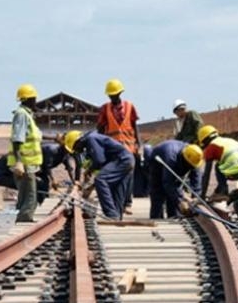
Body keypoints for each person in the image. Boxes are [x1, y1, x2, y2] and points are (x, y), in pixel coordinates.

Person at [8, 84, 56, 223]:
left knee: (28, 195)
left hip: (29, 164)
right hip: (24, 164)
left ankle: (24, 220)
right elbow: (17, 139)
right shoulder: (22, 115)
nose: (36, 101)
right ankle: (24, 221)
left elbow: (38, 136)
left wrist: (55, 138)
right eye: (34, 98)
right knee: (30, 196)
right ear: (29, 99)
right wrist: (19, 162)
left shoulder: (28, 115)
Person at [63, 130, 134, 219]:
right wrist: (91, 173)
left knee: (100, 180)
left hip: (121, 160)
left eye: (75, 147)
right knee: (117, 187)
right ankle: (116, 217)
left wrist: (90, 170)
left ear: (78, 141)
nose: (76, 151)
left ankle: (111, 215)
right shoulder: (93, 138)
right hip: (127, 159)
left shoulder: (91, 139)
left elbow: (99, 160)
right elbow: (101, 160)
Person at [97, 78, 143, 213]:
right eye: (110, 95)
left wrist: (139, 145)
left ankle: (126, 203)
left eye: (115, 95)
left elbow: (135, 127)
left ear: (120, 93)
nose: (113, 97)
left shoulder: (129, 106)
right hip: (112, 150)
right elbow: (100, 129)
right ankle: (118, 203)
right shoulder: (105, 109)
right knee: (116, 177)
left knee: (129, 176)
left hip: (129, 147)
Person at [146, 141, 203, 219]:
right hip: (157, 164)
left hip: (175, 161)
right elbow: (168, 182)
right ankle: (156, 217)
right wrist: (180, 200)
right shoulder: (171, 158)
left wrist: (195, 198)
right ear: (184, 159)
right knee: (158, 192)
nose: (190, 167)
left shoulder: (194, 157)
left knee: (174, 195)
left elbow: (196, 179)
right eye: (189, 165)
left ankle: (173, 216)